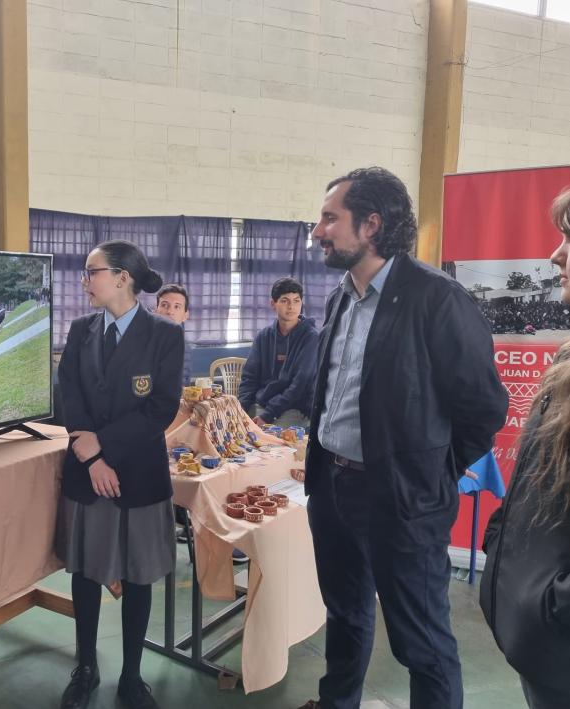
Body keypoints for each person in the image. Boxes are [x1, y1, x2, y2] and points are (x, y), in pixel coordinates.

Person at [298, 167, 508, 709]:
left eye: (329, 218)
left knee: (422, 644)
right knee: (344, 615)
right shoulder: (341, 296)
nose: (318, 231)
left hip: (401, 499)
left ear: (372, 224)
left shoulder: (438, 299)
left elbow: (483, 408)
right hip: (333, 486)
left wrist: (429, 473)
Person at [55, 240, 184, 709]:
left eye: (92, 272)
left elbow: (161, 407)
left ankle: (132, 675)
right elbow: (68, 393)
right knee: (87, 572)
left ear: (123, 277)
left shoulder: (164, 335)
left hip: (139, 474)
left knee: (138, 573)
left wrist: (103, 446)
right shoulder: (81, 329)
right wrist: (90, 456)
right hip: (89, 474)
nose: (85, 280)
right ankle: (85, 666)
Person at [480, 186, 570, 709]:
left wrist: (553, 605)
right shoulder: (564, 357)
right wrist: (501, 541)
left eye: (568, 239)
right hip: (543, 648)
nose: (555, 255)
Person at [237, 277, 318, 430]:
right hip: (262, 404)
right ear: (273, 304)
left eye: (296, 301)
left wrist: (268, 415)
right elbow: (249, 377)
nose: (291, 306)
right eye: (285, 300)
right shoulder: (264, 336)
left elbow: (300, 384)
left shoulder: (311, 337)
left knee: (265, 439)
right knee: (233, 433)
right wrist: (240, 410)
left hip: (295, 408)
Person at [154, 284, 193, 385]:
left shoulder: (184, 345)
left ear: (185, 315)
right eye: (164, 305)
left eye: (177, 307)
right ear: (156, 310)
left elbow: (182, 382)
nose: (170, 311)